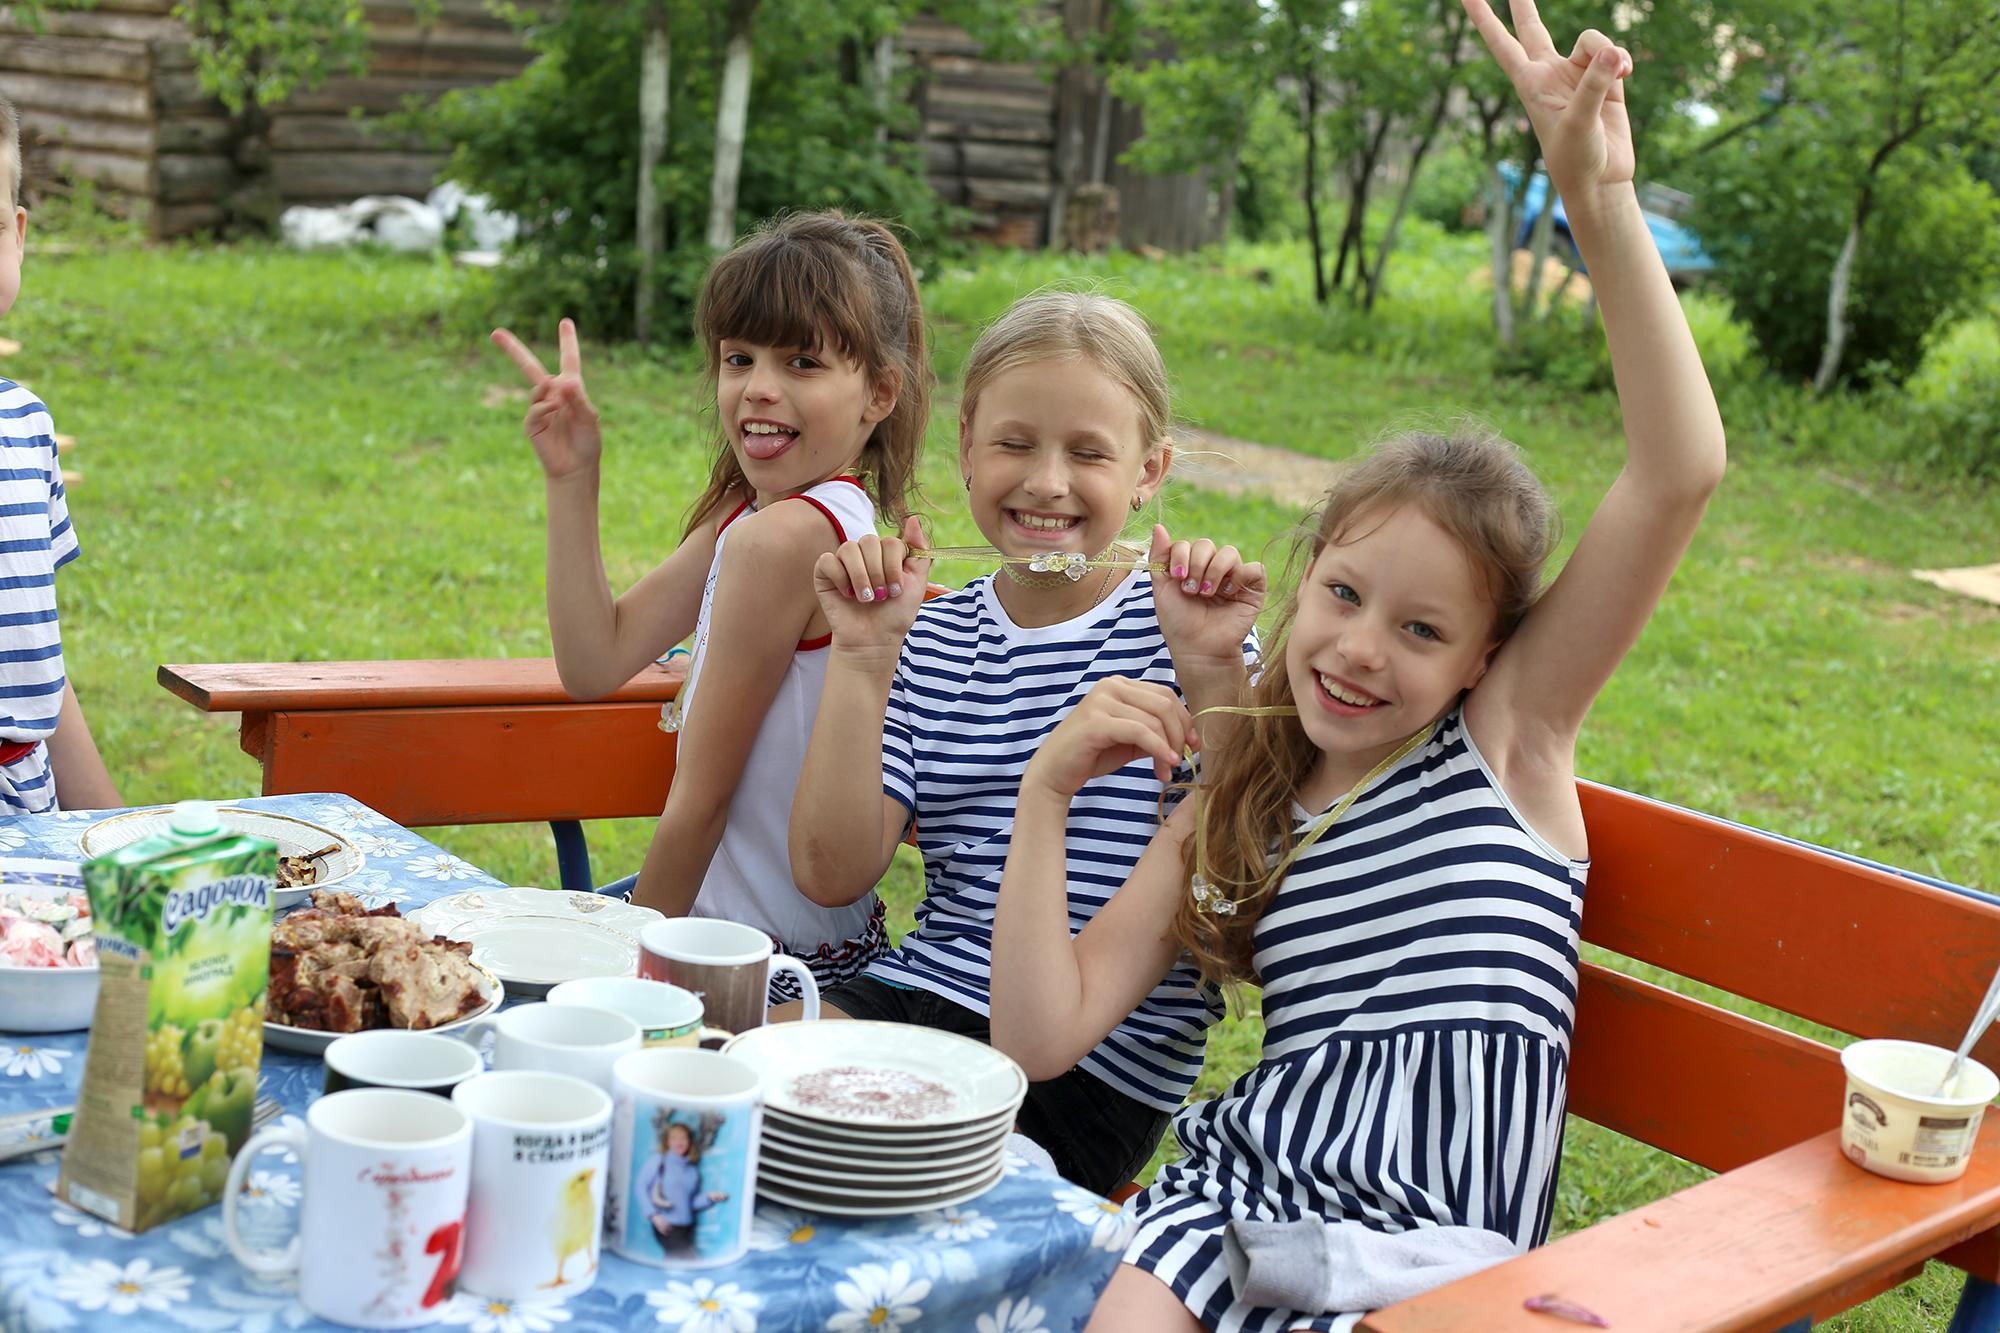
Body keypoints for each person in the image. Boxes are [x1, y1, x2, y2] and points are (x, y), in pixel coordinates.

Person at [985, 4, 1727, 1327]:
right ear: (1310, 566)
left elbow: (1679, 473)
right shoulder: (1248, 790)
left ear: (1489, 655)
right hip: (1246, 1209)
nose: (1361, 650)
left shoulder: (1506, 746)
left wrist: (1598, 204)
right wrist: (1047, 794)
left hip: (1435, 1260)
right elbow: (1041, 1040)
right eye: (1343, 594)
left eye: (1424, 630)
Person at [786, 291, 1264, 1194]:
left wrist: (1209, 672)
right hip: (919, 994)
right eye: (1014, 444)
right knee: (724, 1087)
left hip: (1090, 1058)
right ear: (966, 446)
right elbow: (831, 871)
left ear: (1149, 469)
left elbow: (1242, 854)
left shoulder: (1190, 630)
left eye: (1088, 452)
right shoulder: (930, 637)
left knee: (847, 1162)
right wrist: (861, 657)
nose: (1047, 481)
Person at [492, 211, 930, 999]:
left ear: (879, 392)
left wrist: (632, 992)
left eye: (802, 361)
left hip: (745, 970)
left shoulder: (790, 536)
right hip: (793, 946)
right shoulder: (759, 514)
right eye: (739, 358)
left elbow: (701, 802)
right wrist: (571, 478)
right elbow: (596, 660)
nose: (759, 387)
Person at [0, 96, 118, 815]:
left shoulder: (25, 424)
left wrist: (110, 822)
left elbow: (35, 660)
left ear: (15, 238)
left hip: (31, 821)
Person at [636, 1120, 726, 1259]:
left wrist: (709, 1198)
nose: (679, 1141)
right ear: (668, 1142)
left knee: (675, 1263)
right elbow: (640, 1187)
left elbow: (690, 1203)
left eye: (683, 1137)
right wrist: (653, 1215)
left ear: (689, 1142)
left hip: (687, 1227)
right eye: (674, 1137)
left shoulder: (692, 1171)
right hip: (666, 1225)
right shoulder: (658, 1160)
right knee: (688, 1260)